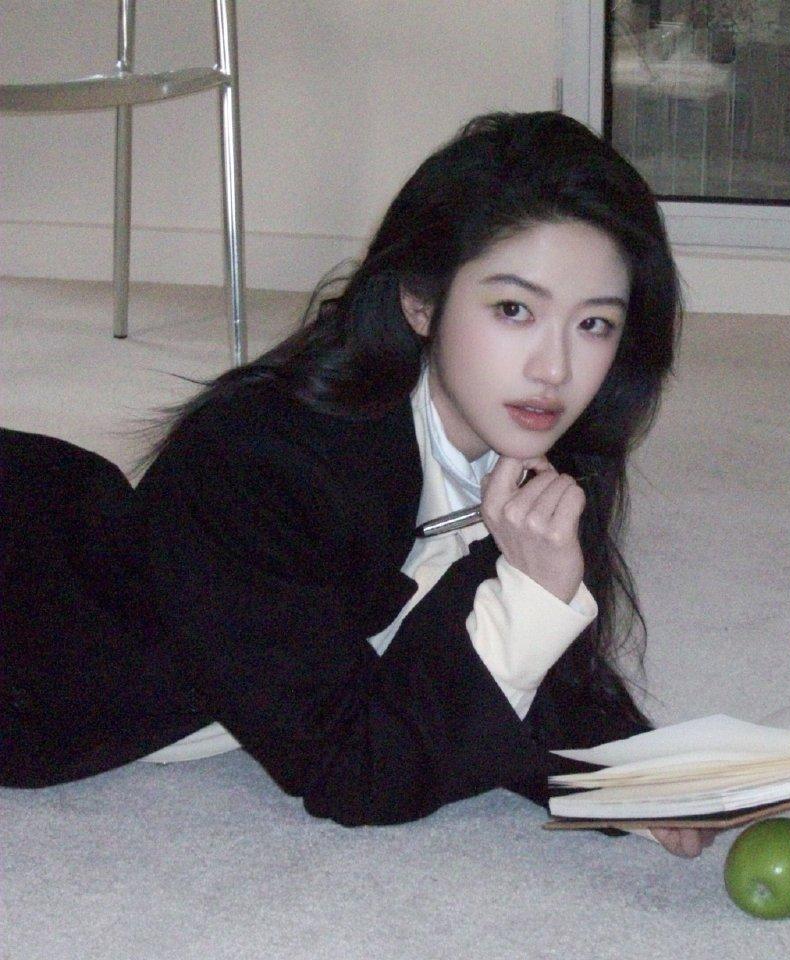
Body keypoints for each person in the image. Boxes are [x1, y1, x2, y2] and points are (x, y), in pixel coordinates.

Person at [0, 111, 714, 858]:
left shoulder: (537, 460)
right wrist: (534, 600)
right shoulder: (262, 463)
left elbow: (507, 681)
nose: (555, 369)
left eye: (595, 324)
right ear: (420, 301)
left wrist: (647, 779)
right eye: (514, 310)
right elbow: (354, 772)